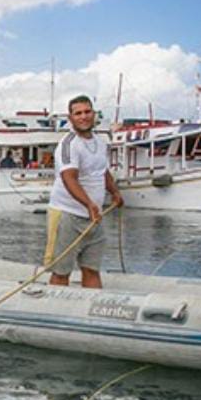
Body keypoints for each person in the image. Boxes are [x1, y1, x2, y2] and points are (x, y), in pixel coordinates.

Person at [43, 95, 123, 289]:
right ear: (70, 118)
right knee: (61, 271)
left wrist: (114, 192)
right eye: (78, 113)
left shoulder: (100, 142)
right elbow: (69, 178)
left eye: (87, 112)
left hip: (93, 217)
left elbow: (101, 171)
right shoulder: (68, 145)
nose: (83, 117)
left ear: (93, 114)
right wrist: (88, 204)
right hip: (67, 215)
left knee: (91, 269)